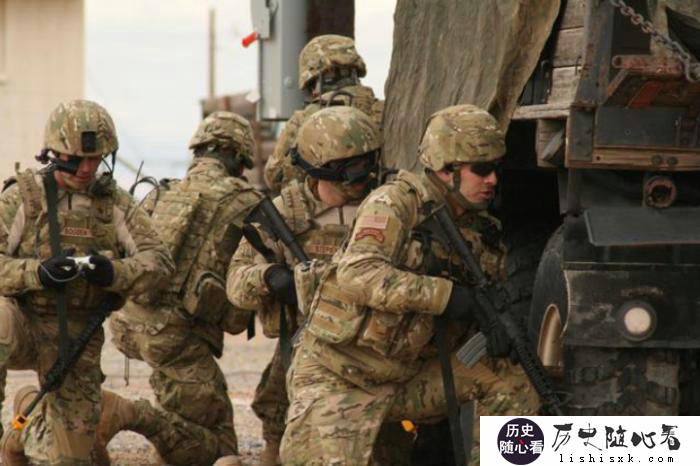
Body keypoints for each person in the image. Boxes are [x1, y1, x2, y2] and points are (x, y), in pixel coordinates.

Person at [280, 104, 541, 465]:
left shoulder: (483, 233)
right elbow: (359, 272)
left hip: (407, 376)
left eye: (496, 168)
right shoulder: (395, 204)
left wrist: (490, 325)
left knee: (511, 379)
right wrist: (448, 297)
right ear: (446, 169)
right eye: (481, 169)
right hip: (340, 374)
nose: (493, 180)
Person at [228, 106, 411, 465]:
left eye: (368, 166)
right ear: (320, 170)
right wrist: (269, 278)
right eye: (351, 172)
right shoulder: (285, 213)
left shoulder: (390, 204)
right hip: (308, 349)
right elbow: (236, 282)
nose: (362, 181)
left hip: (379, 350)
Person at [0, 99, 173, 465]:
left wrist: (114, 274)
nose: (87, 169)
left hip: (77, 337)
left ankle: (23, 428)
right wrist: (37, 273)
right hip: (23, 322)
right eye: (77, 159)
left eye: (96, 159)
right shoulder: (24, 198)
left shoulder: (114, 204)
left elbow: (160, 263)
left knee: (69, 459)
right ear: (54, 153)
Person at [98, 111, 264, 466]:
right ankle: (131, 414)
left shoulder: (163, 191)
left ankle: (158, 435)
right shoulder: (246, 200)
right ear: (237, 157)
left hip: (129, 324)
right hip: (176, 338)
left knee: (196, 416)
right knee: (217, 449)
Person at [263, 34, 384, 194]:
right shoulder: (384, 109)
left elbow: (274, 177)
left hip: (321, 207)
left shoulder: (304, 119)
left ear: (315, 81)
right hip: (382, 202)